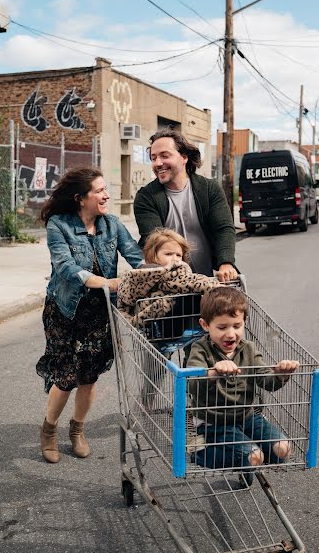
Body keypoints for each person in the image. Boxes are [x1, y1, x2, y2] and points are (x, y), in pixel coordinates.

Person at [36, 167, 143, 463]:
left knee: (89, 377)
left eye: (105, 188)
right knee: (66, 376)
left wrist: (161, 273)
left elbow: (135, 256)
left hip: (99, 313)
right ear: (80, 198)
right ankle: (49, 431)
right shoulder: (60, 225)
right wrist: (105, 282)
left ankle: (77, 430)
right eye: (98, 190)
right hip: (66, 311)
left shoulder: (112, 224)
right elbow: (66, 267)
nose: (105, 194)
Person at [186, 286, 300, 477]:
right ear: (205, 325)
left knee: (283, 449)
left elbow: (266, 380)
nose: (231, 334)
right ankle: (200, 453)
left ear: (244, 322)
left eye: (236, 326)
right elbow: (192, 383)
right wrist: (214, 372)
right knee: (254, 457)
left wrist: (281, 373)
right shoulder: (200, 349)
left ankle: (248, 454)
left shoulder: (248, 349)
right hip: (215, 422)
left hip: (246, 416)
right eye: (222, 327)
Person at [134, 128, 238, 281]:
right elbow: (154, 241)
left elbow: (223, 229)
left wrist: (226, 263)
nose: (158, 163)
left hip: (209, 281)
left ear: (184, 157)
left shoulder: (209, 189)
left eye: (164, 156)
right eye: (153, 158)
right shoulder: (146, 197)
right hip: (168, 285)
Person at [117, 228, 218, 329]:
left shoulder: (143, 272)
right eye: (169, 254)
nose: (175, 258)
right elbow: (189, 282)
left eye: (179, 255)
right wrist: (217, 286)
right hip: (158, 322)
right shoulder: (157, 273)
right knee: (190, 296)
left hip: (157, 320)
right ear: (153, 255)